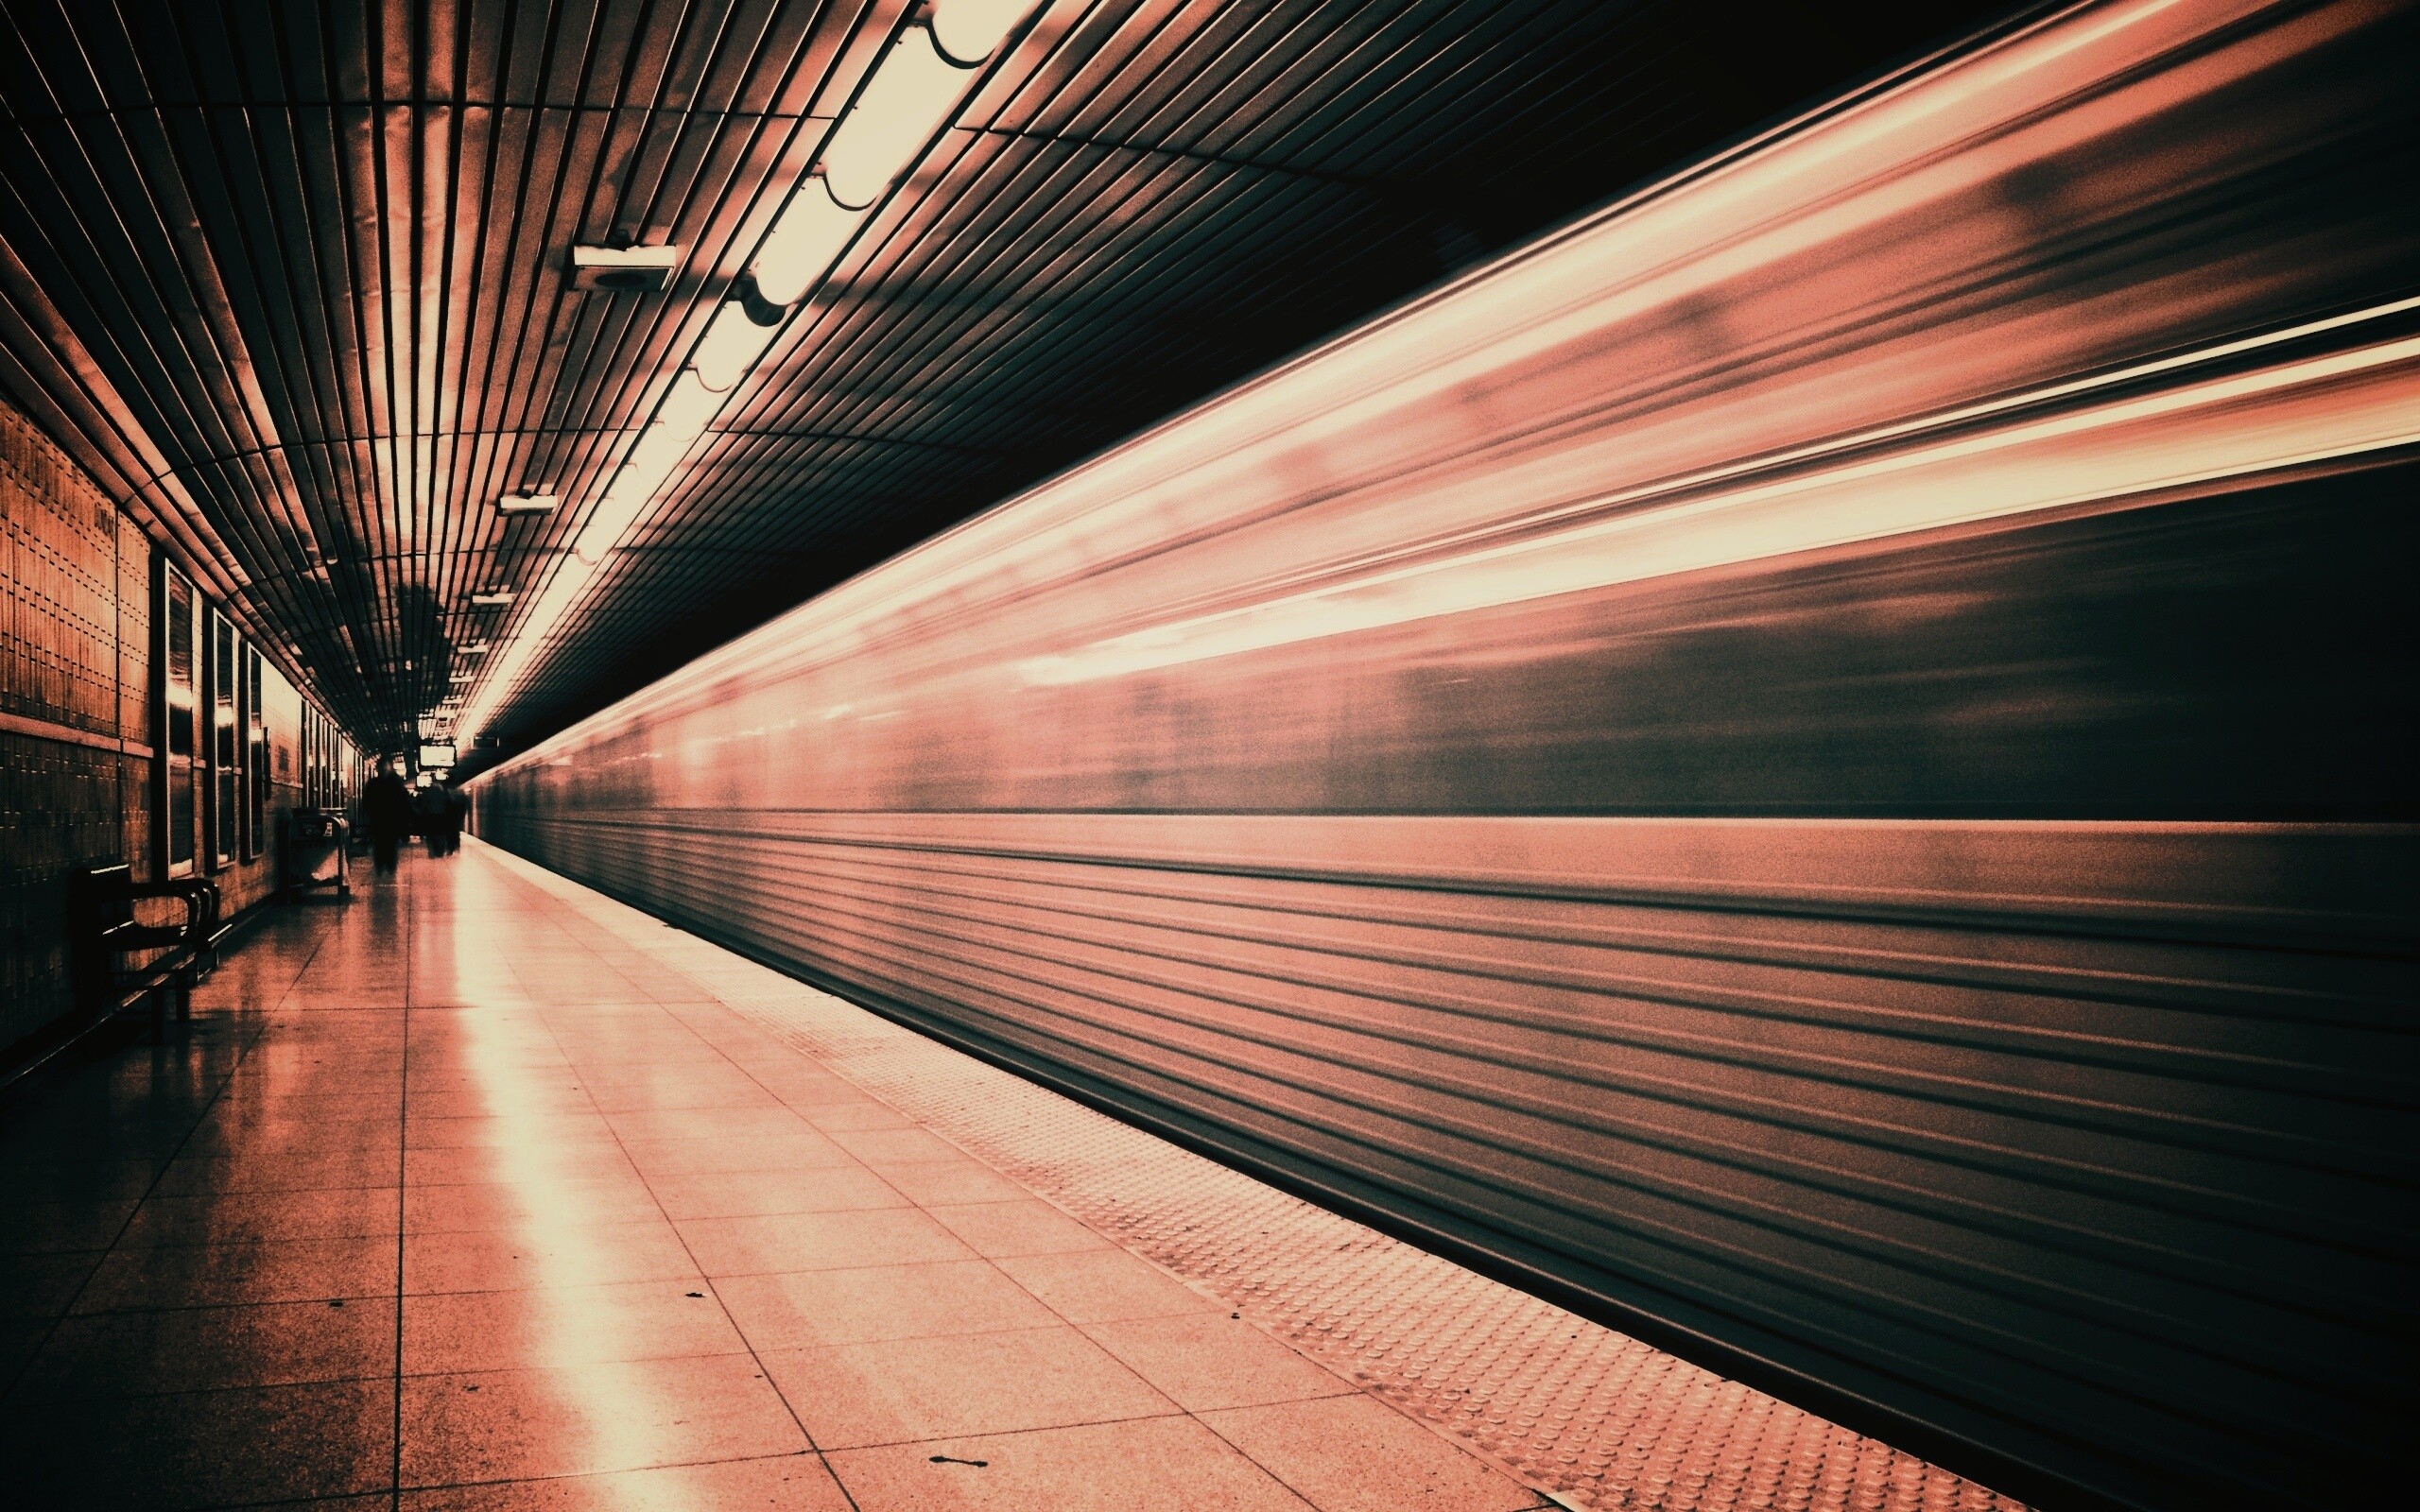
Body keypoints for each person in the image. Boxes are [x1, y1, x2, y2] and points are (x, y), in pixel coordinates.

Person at [359, 756, 416, 872]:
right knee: (382, 842)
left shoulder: (376, 783)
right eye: (383, 766)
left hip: (390, 819)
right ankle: (383, 865)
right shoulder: (394, 782)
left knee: (388, 842)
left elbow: (403, 803)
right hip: (380, 818)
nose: (384, 768)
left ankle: (388, 865)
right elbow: (368, 801)